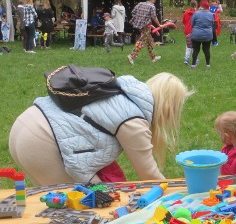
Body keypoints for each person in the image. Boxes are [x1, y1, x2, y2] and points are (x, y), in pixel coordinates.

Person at [8, 72, 192, 186]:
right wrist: (178, 194)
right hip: (41, 141)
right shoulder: (134, 120)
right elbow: (149, 175)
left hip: (24, 127)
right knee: (79, 210)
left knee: (52, 204)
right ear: (169, 108)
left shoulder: (121, 93)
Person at [128, 0, 162, 64]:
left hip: (139, 25)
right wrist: (159, 25)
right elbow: (154, 17)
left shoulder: (140, 4)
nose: (155, 0)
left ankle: (153, 57)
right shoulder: (152, 6)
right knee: (142, 41)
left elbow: (133, 12)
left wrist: (139, 19)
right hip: (146, 26)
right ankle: (132, 56)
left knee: (149, 40)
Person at [190, 0, 215, 70]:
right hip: (208, 35)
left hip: (196, 35)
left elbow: (192, 23)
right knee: (207, 50)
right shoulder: (211, 14)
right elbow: (212, 24)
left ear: (201, 6)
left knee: (196, 50)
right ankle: (208, 65)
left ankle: (193, 65)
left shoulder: (196, 13)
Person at [181, 0, 197, 65]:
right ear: (196, 5)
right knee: (195, 46)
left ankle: (186, 59)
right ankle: (195, 59)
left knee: (188, 46)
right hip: (195, 31)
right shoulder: (197, 13)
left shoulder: (186, 13)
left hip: (187, 31)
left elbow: (183, 21)